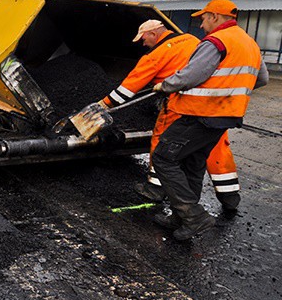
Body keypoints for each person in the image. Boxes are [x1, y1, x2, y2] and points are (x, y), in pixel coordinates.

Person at [152, 0, 268, 240]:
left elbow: (191, 75)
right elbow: (262, 78)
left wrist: (165, 85)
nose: (202, 25)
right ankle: (181, 216)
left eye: (204, 19)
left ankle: (194, 216)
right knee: (192, 164)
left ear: (215, 16)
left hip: (201, 114)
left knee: (164, 158)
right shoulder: (250, 44)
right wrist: (230, 89)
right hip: (225, 116)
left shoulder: (216, 41)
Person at [98, 19, 241, 210]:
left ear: (154, 34)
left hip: (180, 103)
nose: (142, 43)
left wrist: (104, 104)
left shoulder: (156, 54)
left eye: (143, 38)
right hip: (211, 104)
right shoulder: (191, 39)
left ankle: (156, 188)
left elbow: (129, 87)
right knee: (215, 145)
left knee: (162, 140)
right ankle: (229, 196)